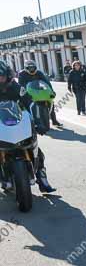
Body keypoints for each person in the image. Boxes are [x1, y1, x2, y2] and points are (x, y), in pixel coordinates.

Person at [0, 61, 56, 193]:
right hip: (1, 126)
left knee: (37, 151)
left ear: (7, 75)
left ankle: (42, 179)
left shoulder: (16, 87)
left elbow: (29, 102)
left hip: (18, 124)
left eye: (1, 75)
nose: (0, 79)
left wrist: (38, 121)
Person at [17, 60, 63, 127]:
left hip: (39, 90)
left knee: (51, 102)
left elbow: (46, 81)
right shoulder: (22, 74)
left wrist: (51, 91)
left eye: (33, 67)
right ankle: (24, 121)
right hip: (28, 91)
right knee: (20, 102)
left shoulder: (39, 73)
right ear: (26, 68)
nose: (31, 69)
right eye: (29, 68)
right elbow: (21, 84)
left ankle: (54, 121)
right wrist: (24, 93)